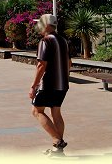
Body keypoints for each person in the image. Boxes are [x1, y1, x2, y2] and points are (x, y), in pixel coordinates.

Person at [29, 14, 71, 155]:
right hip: (62, 84)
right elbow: (69, 63)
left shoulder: (45, 41)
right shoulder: (63, 41)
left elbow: (41, 65)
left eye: (40, 24)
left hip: (49, 84)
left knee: (37, 111)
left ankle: (57, 141)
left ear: (46, 25)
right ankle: (58, 150)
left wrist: (33, 86)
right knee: (56, 113)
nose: (38, 27)